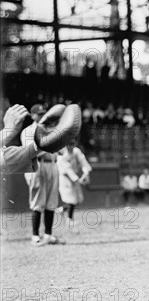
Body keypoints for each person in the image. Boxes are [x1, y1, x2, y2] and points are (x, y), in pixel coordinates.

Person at [21, 104, 64, 245]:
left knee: (51, 202)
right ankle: (35, 236)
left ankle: (48, 235)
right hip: (37, 165)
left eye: (43, 113)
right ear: (32, 115)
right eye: (38, 114)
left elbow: (62, 150)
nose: (41, 116)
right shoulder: (29, 131)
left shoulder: (51, 130)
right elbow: (30, 151)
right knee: (38, 202)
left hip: (52, 164)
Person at [57, 141, 92, 228]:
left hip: (75, 179)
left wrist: (86, 172)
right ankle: (69, 219)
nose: (70, 147)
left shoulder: (76, 151)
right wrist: (77, 180)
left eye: (72, 144)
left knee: (78, 199)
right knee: (71, 200)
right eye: (69, 144)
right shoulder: (62, 155)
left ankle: (62, 209)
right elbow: (67, 170)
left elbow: (83, 162)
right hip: (65, 179)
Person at [1, 104, 40, 174]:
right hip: (39, 164)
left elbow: (7, 157)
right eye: (39, 114)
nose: (41, 116)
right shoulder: (28, 130)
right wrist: (7, 130)